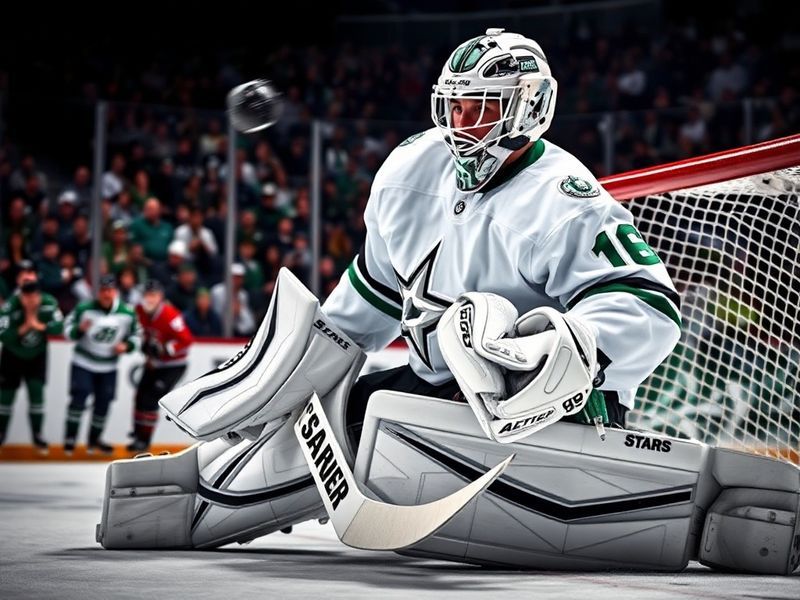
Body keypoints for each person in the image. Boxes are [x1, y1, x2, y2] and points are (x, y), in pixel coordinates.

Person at [63, 274, 140, 455]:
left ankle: (93, 440)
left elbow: (137, 335)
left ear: (116, 292)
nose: (107, 294)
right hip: (83, 362)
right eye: (103, 290)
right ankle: (70, 438)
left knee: (103, 403)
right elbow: (66, 330)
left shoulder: (127, 313)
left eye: (110, 290)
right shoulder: (84, 308)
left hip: (108, 366)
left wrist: (127, 345)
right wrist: (78, 330)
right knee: (79, 398)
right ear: (98, 292)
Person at [0, 264, 64, 453]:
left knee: (37, 393)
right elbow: (3, 335)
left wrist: (39, 325)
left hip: (37, 356)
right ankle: (1, 432)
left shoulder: (49, 302)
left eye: (34, 293)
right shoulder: (10, 306)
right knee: (5, 396)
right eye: (26, 294)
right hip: (12, 356)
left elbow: (59, 327)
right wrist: (26, 324)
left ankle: (37, 434)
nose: (31, 298)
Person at [130, 279, 193, 452]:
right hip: (154, 363)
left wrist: (166, 348)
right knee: (139, 397)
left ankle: (144, 440)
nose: (149, 299)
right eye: (147, 295)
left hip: (173, 366)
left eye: (153, 295)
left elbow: (186, 340)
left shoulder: (170, 315)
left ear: (160, 297)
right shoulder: (139, 311)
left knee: (150, 399)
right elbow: (137, 332)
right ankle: (137, 434)